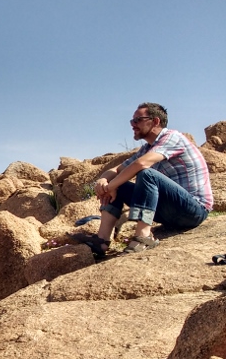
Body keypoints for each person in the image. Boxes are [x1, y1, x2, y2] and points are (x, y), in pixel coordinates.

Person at [76, 102, 213, 257]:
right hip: (170, 213)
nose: (133, 125)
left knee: (146, 174)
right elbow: (116, 170)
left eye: (137, 120)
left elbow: (141, 164)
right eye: (131, 121)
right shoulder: (147, 148)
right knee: (120, 184)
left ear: (155, 121)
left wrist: (111, 186)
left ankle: (143, 237)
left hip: (194, 210)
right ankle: (101, 241)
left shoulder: (173, 138)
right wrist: (103, 181)